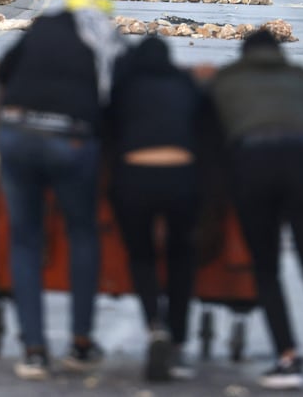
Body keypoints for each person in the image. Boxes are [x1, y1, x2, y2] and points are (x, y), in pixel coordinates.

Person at [0, 0, 127, 380]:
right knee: (82, 232)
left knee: (25, 240)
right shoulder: (106, 41)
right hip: (70, 139)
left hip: (17, 134)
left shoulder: (42, 29)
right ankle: (80, 343)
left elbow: (4, 72)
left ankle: (34, 351)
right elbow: (117, 99)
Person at [207, 28, 303, 394]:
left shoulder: (228, 79)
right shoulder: (298, 75)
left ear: (244, 54)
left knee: (266, 268)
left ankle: (287, 356)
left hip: (254, 160)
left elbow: (214, 129)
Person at [106, 35, 204, 382]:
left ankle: (154, 326)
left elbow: (109, 130)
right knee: (181, 256)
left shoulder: (126, 86)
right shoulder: (184, 82)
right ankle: (177, 338)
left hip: (135, 176)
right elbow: (205, 125)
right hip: (180, 174)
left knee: (142, 255)